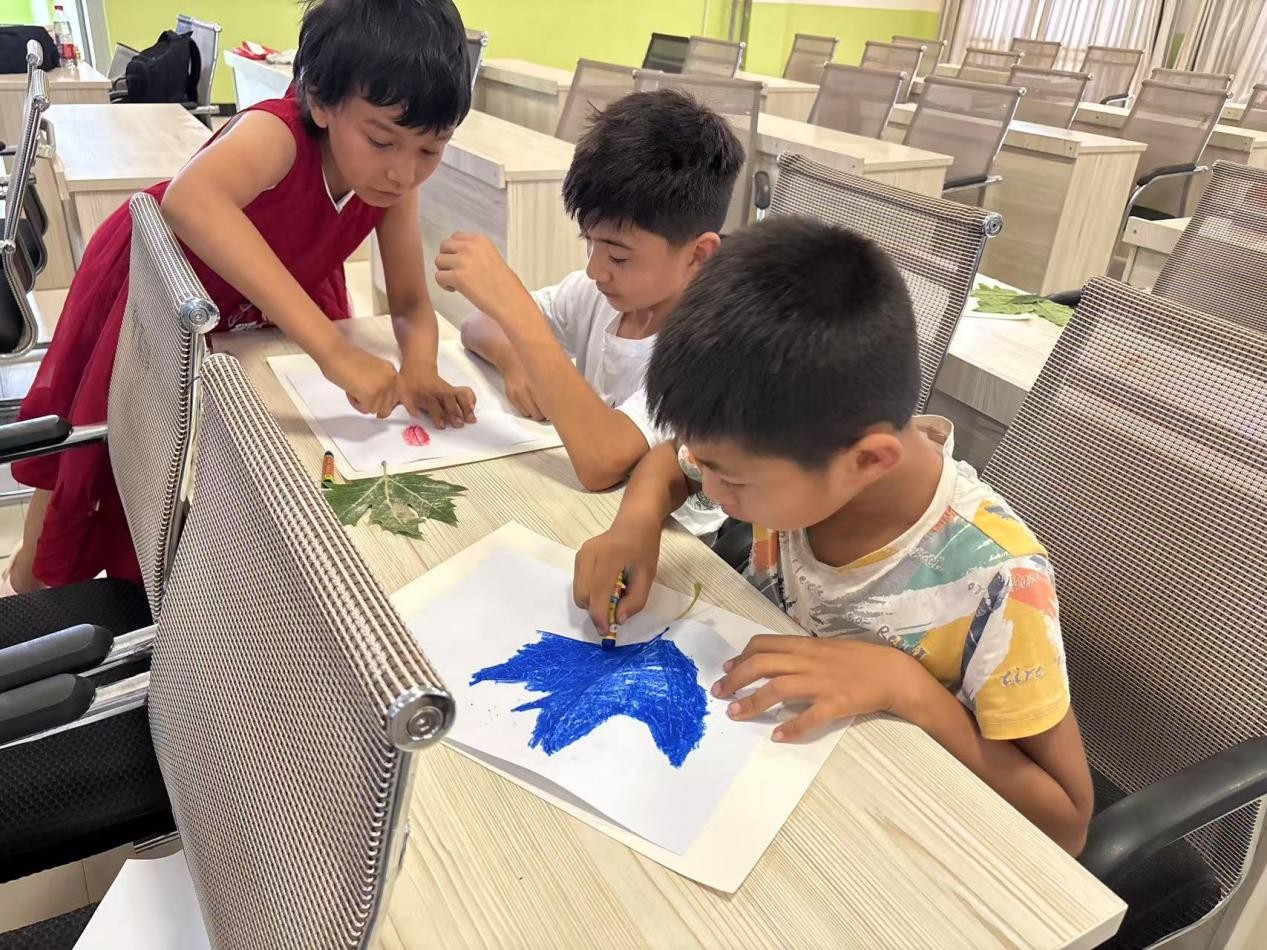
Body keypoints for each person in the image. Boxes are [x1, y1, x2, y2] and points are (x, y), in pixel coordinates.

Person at [573, 217, 1094, 854]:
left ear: (868, 461)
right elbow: (669, 462)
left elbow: (1068, 823)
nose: (711, 488)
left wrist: (909, 690)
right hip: (776, 784)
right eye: (709, 468)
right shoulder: (794, 447)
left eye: (730, 479)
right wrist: (634, 527)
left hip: (889, 833)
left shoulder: (999, 580)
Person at [4, 0, 476, 595]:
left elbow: (409, 303)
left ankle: (189, 590)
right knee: (99, 452)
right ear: (322, 102)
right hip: (156, 285)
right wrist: (334, 350)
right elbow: (189, 200)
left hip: (252, 299)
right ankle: (30, 584)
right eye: (382, 141)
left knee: (221, 466)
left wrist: (421, 367)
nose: (403, 174)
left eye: (430, 150)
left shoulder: (390, 182)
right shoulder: (276, 135)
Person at [436, 89, 744, 493]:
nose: (595, 269)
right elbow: (476, 326)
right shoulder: (601, 294)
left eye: (618, 256)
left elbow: (603, 463)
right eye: (590, 242)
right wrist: (514, 361)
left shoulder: (710, 349)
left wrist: (516, 309)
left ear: (697, 255)